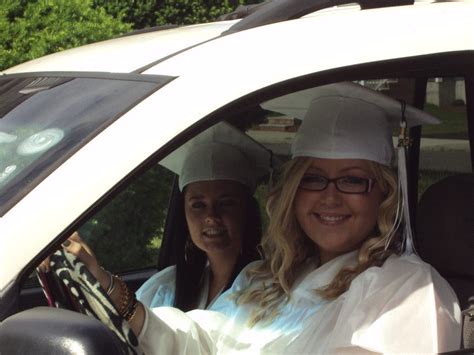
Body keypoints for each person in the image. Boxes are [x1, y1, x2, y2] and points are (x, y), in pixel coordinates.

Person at [56, 82, 462, 354]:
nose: (331, 197)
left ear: (384, 195)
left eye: (354, 180)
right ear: (292, 193)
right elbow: (202, 340)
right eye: (314, 179)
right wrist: (110, 288)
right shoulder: (265, 280)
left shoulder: (405, 289)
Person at [135, 122, 272, 311]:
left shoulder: (267, 289)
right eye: (198, 205)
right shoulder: (166, 286)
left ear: (247, 210)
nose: (211, 216)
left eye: (226, 203)